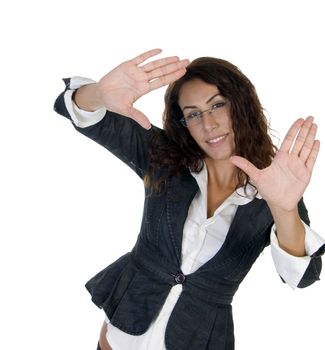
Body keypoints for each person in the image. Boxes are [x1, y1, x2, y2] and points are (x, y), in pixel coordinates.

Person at [54, 49, 325, 350]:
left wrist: (283, 209)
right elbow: (81, 112)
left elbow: (303, 276)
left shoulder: (276, 190)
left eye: (217, 105)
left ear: (242, 106)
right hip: (120, 335)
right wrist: (100, 93)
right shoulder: (163, 158)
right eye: (193, 113)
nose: (208, 125)